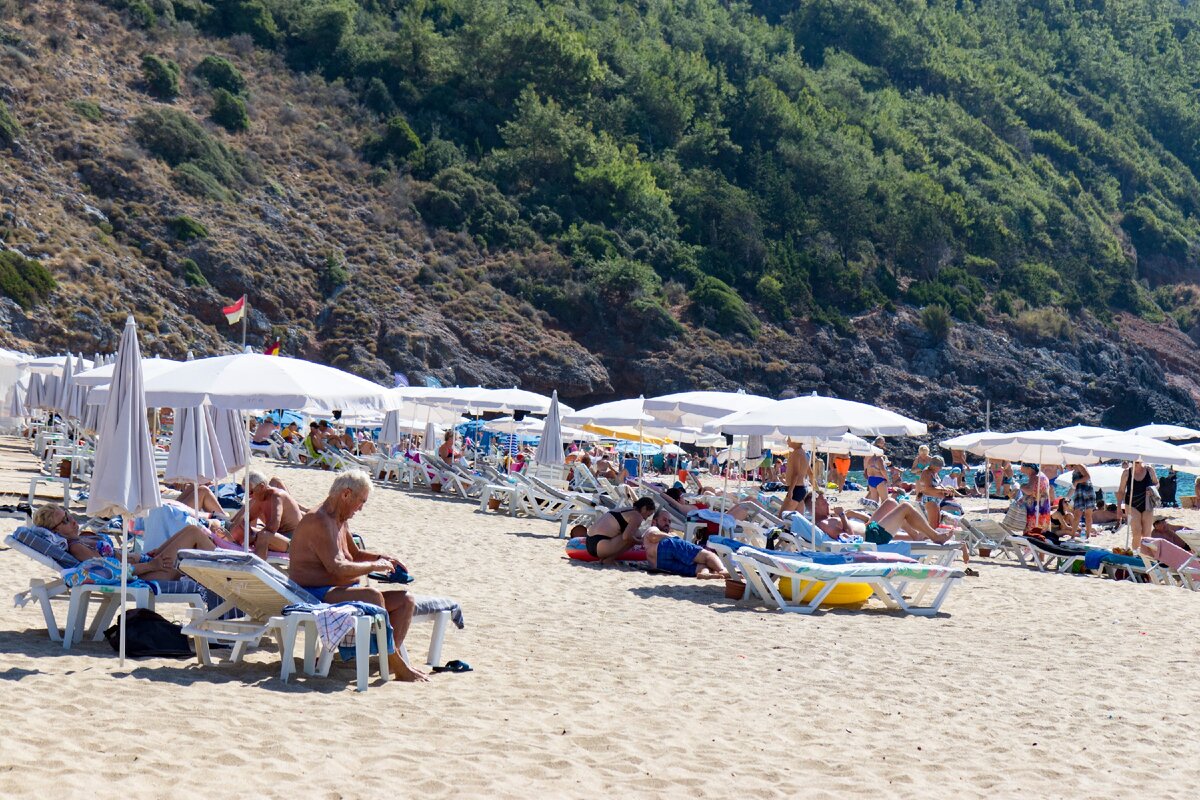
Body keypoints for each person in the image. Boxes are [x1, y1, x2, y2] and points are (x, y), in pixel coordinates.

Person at [288, 470, 428, 682]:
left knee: (406, 600)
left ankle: (390, 657)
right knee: (373, 597)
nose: (361, 508)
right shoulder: (319, 520)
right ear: (346, 494)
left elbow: (354, 555)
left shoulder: (339, 518)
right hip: (314, 594)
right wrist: (376, 565)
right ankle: (396, 662)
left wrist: (385, 558)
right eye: (361, 501)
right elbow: (336, 567)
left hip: (338, 591)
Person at [34, 503, 217, 581]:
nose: (72, 520)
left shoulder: (83, 539)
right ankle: (225, 573)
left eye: (68, 514)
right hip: (144, 577)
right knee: (193, 533)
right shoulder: (77, 548)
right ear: (55, 530)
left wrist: (145, 556)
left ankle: (223, 569)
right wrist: (151, 565)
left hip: (146, 567)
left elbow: (118, 557)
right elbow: (110, 570)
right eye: (65, 520)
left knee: (191, 531)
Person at [226, 470, 304, 558]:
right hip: (277, 537)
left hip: (293, 542)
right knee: (241, 529)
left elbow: (273, 526)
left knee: (263, 536)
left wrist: (253, 535)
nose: (249, 496)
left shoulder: (277, 496)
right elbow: (246, 520)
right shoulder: (260, 499)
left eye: (250, 492)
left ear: (262, 487)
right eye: (246, 492)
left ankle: (257, 565)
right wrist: (246, 531)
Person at [641, 510, 728, 579]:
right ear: (654, 522)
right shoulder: (653, 528)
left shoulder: (647, 543)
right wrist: (674, 537)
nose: (667, 523)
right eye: (664, 520)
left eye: (669, 521)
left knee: (700, 565)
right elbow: (653, 535)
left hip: (660, 564)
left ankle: (704, 573)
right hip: (667, 545)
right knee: (708, 555)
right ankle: (722, 570)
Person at [582, 497, 656, 564]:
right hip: (600, 546)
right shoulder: (637, 516)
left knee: (633, 534)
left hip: (589, 543)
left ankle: (605, 559)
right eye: (648, 515)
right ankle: (609, 559)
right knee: (637, 535)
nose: (645, 519)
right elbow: (626, 537)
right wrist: (641, 542)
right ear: (644, 508)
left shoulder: (625, 509)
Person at [1118, 458, 1158, 551]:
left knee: (1146, 533)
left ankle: (1146, 554)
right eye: (1133, 461)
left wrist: (1153, 489)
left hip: (1147, 503)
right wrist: (1119, 507)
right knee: (1137, 532)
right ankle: (1135, 553)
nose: (1135, 463)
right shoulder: (1127, 473)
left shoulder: (1149, 470)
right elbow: (1121, 491)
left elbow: (1157, 483)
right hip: (1132, 504)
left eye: (1137, 461)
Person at [1019, 463, 1051, 533]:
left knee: (1031, 531)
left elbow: (1029, 491)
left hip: (1035, 509)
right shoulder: (1042, 475)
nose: (1021, 469)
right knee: (1042, 531)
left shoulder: (1034, 476)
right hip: (1044, 508)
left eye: (1022, 466)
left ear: (1029, 468)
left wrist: (1021, 487)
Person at [781, 439, 811, 513]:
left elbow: (796, 473)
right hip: (802, 488)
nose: (787, 441)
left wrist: (790, 491)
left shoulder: (796, 453)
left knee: (782, 516)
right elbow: (810, 472)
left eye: (789, 439)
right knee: (798, 518)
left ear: (795, 440)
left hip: (796, 488)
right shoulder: (804, 453)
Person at [1069, 463, 1096, 536]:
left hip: (1087, 492)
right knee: (1077, 515)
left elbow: (1087, 476)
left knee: (1088, 515)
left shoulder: (1079, 465)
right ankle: (1072, 536)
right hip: (1079, 494)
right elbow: (1073, 487)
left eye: (1066, 466)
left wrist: (1077, 481)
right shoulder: (1074, 472)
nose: (1066, 468)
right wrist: (1067, 497)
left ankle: (1088, 536)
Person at [864, 438, 888, 505]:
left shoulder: (868, 456)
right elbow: (883, 470)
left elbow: (865, 465)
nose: (884, 444)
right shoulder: (879, 458)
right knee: (885, 501)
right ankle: (884, 514)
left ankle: (874, 513)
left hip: (871, 479)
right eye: (883, 442)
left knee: (874, 501)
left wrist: (865, 472)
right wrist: (888, 479)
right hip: (880, 479)